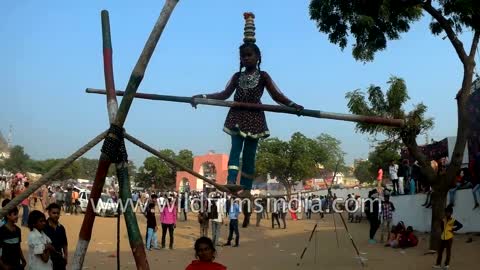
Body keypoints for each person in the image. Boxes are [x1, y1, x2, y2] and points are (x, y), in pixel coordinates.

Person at [192, 12, 303, 195]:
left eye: (249, 55)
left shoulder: (263, 76)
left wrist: (293, 105)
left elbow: (277, 96)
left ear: (258, 57)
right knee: (235, 149)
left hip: (255, 117)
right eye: (243, 56)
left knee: (250, 155)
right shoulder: (237, 76)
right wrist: (201, 96)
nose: (246, 58)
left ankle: (246, 187)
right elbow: (223, 94)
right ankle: (231, 182)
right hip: (237, 115)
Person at [0, 199, 27, 269]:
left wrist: (23, 259)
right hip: (6, 264)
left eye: (17, 214)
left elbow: (18, 247)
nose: (17, 216)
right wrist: (3, 265)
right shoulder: (2, 230)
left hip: (16, 263)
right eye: (15, 214)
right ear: (8, 215)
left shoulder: (18, 230)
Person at [44, 203, 68, 270]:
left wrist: (65, 256)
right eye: (54, 213)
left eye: (58, 213)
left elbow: (64, 243)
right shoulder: (43, 227)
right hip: (47, 260)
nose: (56, 215)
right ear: (49, 213)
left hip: (59, 259)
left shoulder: (61, 228)